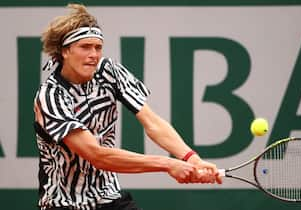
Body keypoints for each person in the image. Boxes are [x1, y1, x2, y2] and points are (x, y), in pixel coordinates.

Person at [33, 3, 222, 210]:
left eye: (98, 47)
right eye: (85, 47)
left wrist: (191, 158)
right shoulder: (50, 96)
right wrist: (168, 164)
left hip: (110, 199)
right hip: (64, 205)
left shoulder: (109, 71)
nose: (94, 54)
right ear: (65, 51)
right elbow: (97, 155)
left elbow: (152, 122)